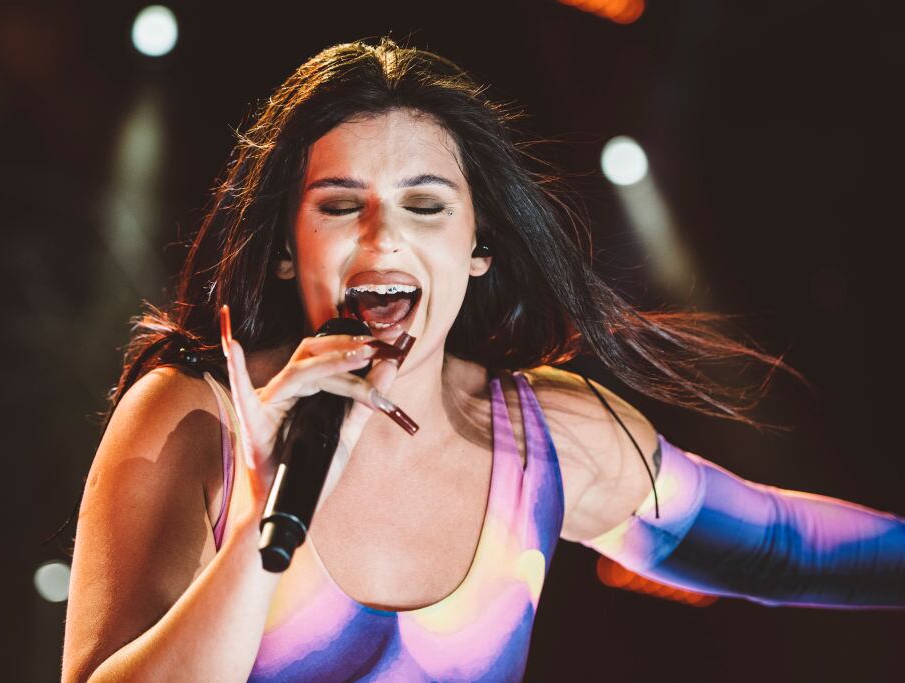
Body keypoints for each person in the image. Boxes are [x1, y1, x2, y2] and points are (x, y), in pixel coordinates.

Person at [61, 39, 904, 682]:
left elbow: (780, 547)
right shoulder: (194, 415)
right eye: (339, 205)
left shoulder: (548, 437)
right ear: (289, 247)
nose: (383, 236)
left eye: (425, 205)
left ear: (478, 246)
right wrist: (256, 529)